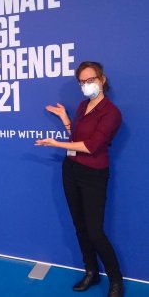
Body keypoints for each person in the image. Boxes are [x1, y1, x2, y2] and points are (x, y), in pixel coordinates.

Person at [35, 61, 123, 297]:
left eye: (90, 80)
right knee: (80, 227)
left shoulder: (111, 112)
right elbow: (76, 136)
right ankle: (91, 272)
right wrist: (65, 118)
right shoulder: (83, 106)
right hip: (71, 171)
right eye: (82, 82)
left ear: (102, 79)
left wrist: (55, 144)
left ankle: (116, 282)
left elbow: (92, 146)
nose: (86, 85)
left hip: (93, 174)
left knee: (95, 232)